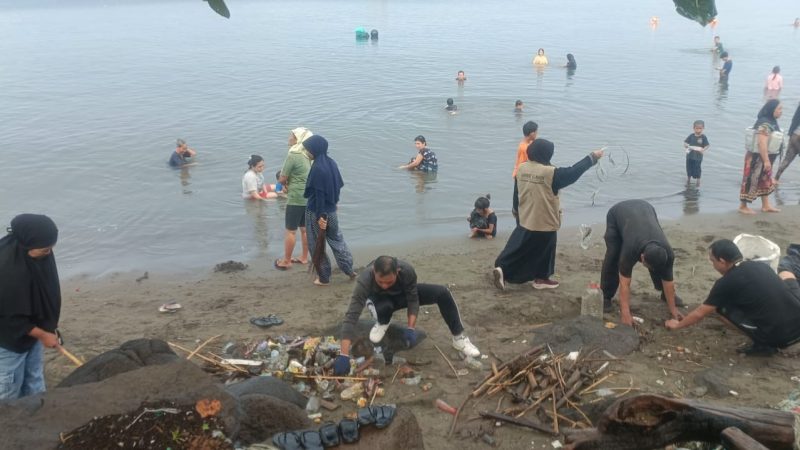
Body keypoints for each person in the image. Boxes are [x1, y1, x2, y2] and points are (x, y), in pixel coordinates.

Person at [332, 256, 480, 375]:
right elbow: (351, 316)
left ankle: (459, 338)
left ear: (398, 271)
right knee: (384, 307)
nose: (384, 285)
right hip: (380, 301)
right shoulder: (365, 280)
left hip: (401, 296)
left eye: (389, 281)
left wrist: (410, 328)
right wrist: (344, 355)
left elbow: (413, 300)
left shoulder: (407, 271)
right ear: (373, 273)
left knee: (442, 293)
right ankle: (382, 322)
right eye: (380, 282)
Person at [493, 139, 603, 290]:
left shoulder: (522, 168)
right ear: (546, 154)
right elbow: (572, 173)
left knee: (519, 245)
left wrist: (515, 211)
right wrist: (592, 157)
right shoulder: (550, 173)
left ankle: (502, 267)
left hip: (525, 216)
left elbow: (516, 192)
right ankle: (541, 279)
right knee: (545, 251)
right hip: (545, 220)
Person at [665, 239, 800, 356]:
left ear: (722, 261)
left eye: (713, 261)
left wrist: (677, 325)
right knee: (780, 284)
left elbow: (700, 313)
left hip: (780, 339)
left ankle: (763, 345)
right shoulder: (759, 265)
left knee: (720, 308)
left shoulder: (726, 282)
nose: (713, 265)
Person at [0, 214, 62, 400]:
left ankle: (37, 414)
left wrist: (49, 328)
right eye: (44, 249)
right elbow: (11, 319)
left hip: (33, 331)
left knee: (34, 378)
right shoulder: (8, 272)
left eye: (51, 248)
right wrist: (43, 335)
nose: (49, 253)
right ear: (27, 243)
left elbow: (45, 291)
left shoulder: (37, 254)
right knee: (9, 387)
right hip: (7, 339)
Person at [600, 200, 683, 326]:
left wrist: (673, 311)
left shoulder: (668, 254)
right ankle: (606, 297)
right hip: (617, 214)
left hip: (646, 209)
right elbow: (625, 283)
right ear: (642, 257)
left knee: (658, 266)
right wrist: (625, 313)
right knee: (613, 255)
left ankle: (664, 295)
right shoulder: (630, 251)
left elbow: (668, 281)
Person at [303, 134, 357, 285]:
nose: (307, 152)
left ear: (314, 149)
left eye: (308, 150)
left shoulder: (317, 168)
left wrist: (320, 216)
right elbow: (337, 185)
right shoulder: (331, 163)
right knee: (337, 240)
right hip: (331, 210)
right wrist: (334, 203)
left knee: (316, 244)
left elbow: (319, 194)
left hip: (316, 211)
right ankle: (349, 269)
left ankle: (324, 277)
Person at [275, 127, 313, 270]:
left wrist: (283, 184)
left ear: (298, 139)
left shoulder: (293, 154)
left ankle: (287, 261)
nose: (289, 138)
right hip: (308, 197)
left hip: (296, 196)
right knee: (304, 229)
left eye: (291, 135)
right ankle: (304, 258)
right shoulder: (310, 155)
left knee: (291, 230)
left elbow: (283, 177)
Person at [739, 99, 783, 214]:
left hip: (765, 158)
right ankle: (743, 206)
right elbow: (761, 142)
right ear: (772, 109)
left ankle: (766, 205)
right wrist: (766, 161)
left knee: (765, 179)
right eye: (779, 109)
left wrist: (768, 161)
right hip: (757, 159)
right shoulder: (764, 123)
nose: (781, 111)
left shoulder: (772, 121)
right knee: (750, 180)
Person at [511, 121, 538, 225]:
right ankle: (518, 214)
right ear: (532, 134)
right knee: (519, 198)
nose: (537, 134)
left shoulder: (523, 144)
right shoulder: (526, 148)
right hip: (521, 175)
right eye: (536, 132)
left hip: (519, 172)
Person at [775, 102, 800, 182]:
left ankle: (776, 179)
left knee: (787, 159)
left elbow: (794, 120)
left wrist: (790, 133)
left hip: (794, 135)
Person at [684, 120, 710, 186]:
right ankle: (688, 179)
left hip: (698, 157)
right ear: (693, 128)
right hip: (690, 156)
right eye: (697, 128)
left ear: (703, 128)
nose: (698, 130)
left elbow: (707, 145)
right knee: (689, 167)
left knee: (697, 168)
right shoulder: (691, 136)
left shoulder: (703, 137)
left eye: (700, 128)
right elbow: (685, 143)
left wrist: (703, 150)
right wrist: (686, 145)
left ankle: (698, 181)